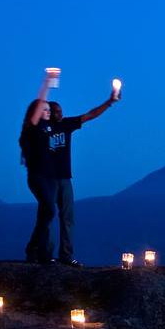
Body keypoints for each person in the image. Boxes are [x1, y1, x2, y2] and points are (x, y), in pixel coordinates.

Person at [47, 87, 120, 268]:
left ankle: (66, 255)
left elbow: (90, 115)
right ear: (48, 113)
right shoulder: (41, 129)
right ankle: (44, 254)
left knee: (67, 217)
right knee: (46, 217)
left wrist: (109, 102)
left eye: (60, 111)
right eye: (56, 112)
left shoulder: (66, 124)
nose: (60, 114)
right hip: (47, 179)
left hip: (64, 178)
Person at [20, 71, 59, 264]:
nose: (48, 111)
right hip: (37, 176)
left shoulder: (47, 128)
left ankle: (40, 253)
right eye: (44, 109)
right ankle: (33, 248)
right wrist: (47, 83)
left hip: (50, 177)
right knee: (49, 210)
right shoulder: (32, 128)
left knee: (45, 214)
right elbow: (39, 104)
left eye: (48, 109)